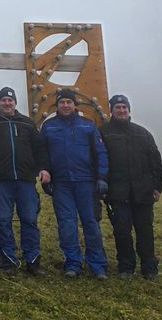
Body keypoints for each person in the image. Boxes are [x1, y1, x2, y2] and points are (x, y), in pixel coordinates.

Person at [0, 86, 50, 275]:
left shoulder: (27, 123)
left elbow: (39, 148)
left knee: (29, 219)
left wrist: (42, 167)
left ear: (15, 102)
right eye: (3, 100)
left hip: (25, 180)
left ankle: (32, 260)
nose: (7, 103)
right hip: (1, 181)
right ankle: (8, 259)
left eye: (10, 100)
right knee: (2, 220)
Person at [39, 88, 110, 279]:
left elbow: (100, 153)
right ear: (57, 105)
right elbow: (42, 153)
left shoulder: (88, 125)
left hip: (86, 182)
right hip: (62, 183)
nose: (65, 105)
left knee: (91, 223)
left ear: (74, 105)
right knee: (67, 224)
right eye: (62, 102)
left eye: (69, 102)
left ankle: (97, 264)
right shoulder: (49, 127)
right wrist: (45, 173)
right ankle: (72, 263)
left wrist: (102, 177)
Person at [100, 93, 162, 280]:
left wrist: (157, 186)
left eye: (124, 107)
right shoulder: (103, 132)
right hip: (116, 193)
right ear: (111, 110)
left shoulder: (142, 133)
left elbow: (155, 161)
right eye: (117, 107)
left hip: (143, 192)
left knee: (145, 230)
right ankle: (126, 266)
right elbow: (97, 160)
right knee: (121, 231)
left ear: (129, 110)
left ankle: (149, 266)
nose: (121, 110)